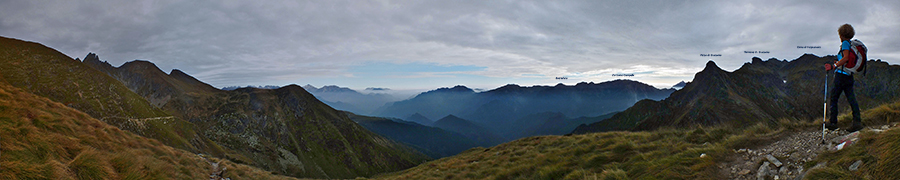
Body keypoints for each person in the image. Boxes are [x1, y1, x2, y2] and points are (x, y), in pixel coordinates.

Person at [823, 24, 863, 132]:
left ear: (841, 34)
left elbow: (845, 58)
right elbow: (845, 60)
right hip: (849, 76)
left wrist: (834, 66)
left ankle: (833, 122)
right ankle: (857, 122)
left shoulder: (845, 43)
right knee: (851, 99)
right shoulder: (850, 43)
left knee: (834, 98)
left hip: (841, 76)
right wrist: (838, 63)